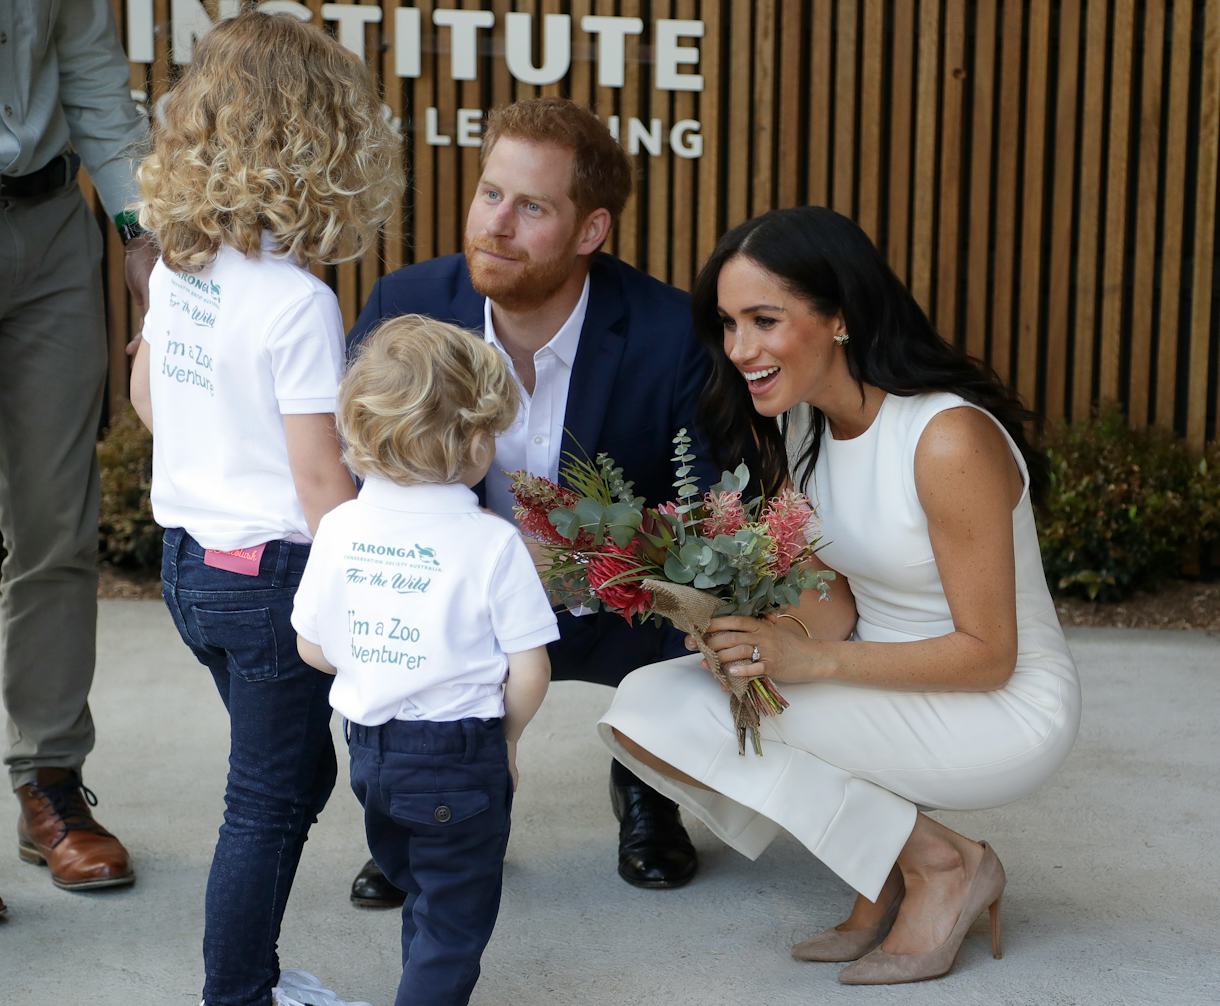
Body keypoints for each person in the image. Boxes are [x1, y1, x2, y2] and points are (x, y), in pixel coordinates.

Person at [600, 206, 1082, 985]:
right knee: (648, 709)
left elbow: (990, 657)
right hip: (876, 674)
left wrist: (809, 661)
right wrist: (746, 638)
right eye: (728, 324)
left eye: (764, 320)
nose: (739, 350)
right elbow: (835, 603)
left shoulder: (947, 438)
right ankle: (889, 862)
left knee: (681, 713)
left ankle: (944, 867)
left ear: (841, 319)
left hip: (1002, 706)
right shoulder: (804, 429)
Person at [346, 97, 730, 905]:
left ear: (590, 230)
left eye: (531, 207)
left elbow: (704, 519)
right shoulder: (406, 307)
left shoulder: (668, 333)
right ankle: (428, 814)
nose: (496, 225)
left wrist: (598, 557)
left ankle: (648, 788)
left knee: (702, 592)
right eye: (491, 194)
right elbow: (365, 483)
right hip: (459, 592)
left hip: (618, 590)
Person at [128, 12, 401, 1005]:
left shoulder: (179, 265)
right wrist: (371, 599)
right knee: (269, 799)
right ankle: (239, 991)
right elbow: (322, 482)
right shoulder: (295, 301)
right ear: (322, 141)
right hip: (274, 577)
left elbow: (149, 402)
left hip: (190, 571)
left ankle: (250, 979)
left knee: (282, 778)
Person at [293, 316, 556, 1006]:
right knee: (454, 918)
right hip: (459, 756)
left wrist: (374, 660)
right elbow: (531, 671)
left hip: (372, 757)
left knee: (418, 884)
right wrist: (504, 742)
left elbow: (311, 647)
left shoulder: (341, 527)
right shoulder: (491, 543)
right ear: (475, 443)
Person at [1, 0, 157, 901]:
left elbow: (94, 79)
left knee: (57, 525)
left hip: (54, 225)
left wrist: (139, 232)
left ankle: (49, 779)